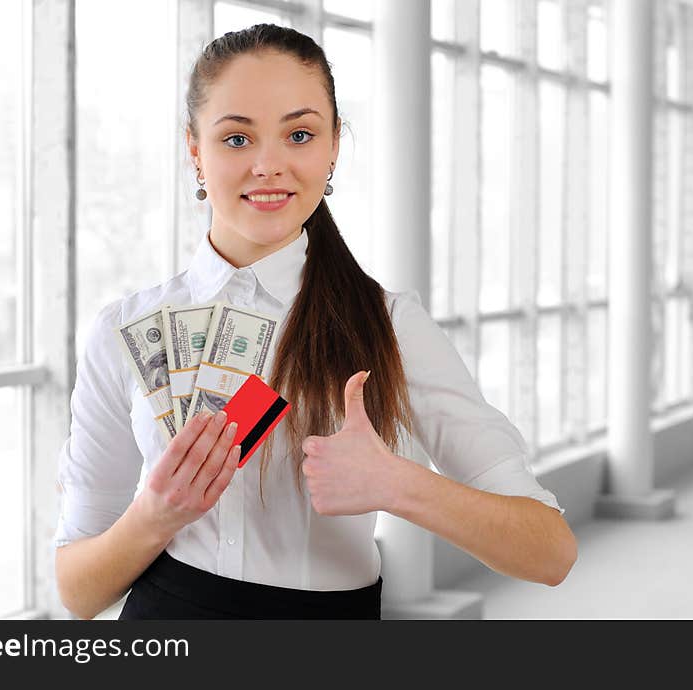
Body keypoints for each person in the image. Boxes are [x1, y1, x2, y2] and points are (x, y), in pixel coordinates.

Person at [54, 23, 577, 621]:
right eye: (236, 139)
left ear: (332, 149)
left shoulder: (391, 327)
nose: (269, 166)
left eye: (299, 134)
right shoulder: (125, 331)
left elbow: (551, 553)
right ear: (194, 151)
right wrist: (157, 512)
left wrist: (396, 484)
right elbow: (79, 592)